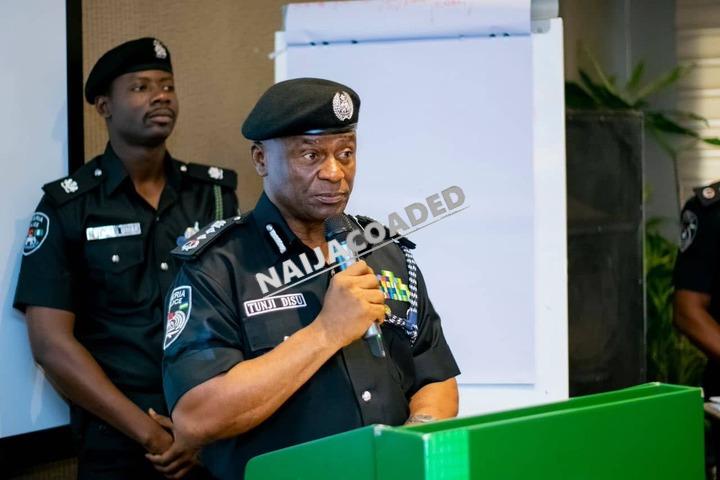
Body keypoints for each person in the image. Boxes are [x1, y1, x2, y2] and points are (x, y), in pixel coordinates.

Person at [157, 77, 460, 479]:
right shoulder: (217, 267)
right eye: (311, 155)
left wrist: (408, 445)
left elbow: (435, 377)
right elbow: (196, 418)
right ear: (261, 159)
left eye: (346, 153)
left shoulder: (385, 251)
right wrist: (326, 332)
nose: (334, 173)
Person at [13, 37, 238, 479]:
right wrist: (151, 435)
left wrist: (206, 424)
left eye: (167, 85)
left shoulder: (213, 196)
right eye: (140, 87)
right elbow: (51, 344)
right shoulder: (69, 206)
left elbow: (239, 312)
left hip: (213, 433)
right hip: (119, 441)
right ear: (104, 106)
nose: (161, 96)